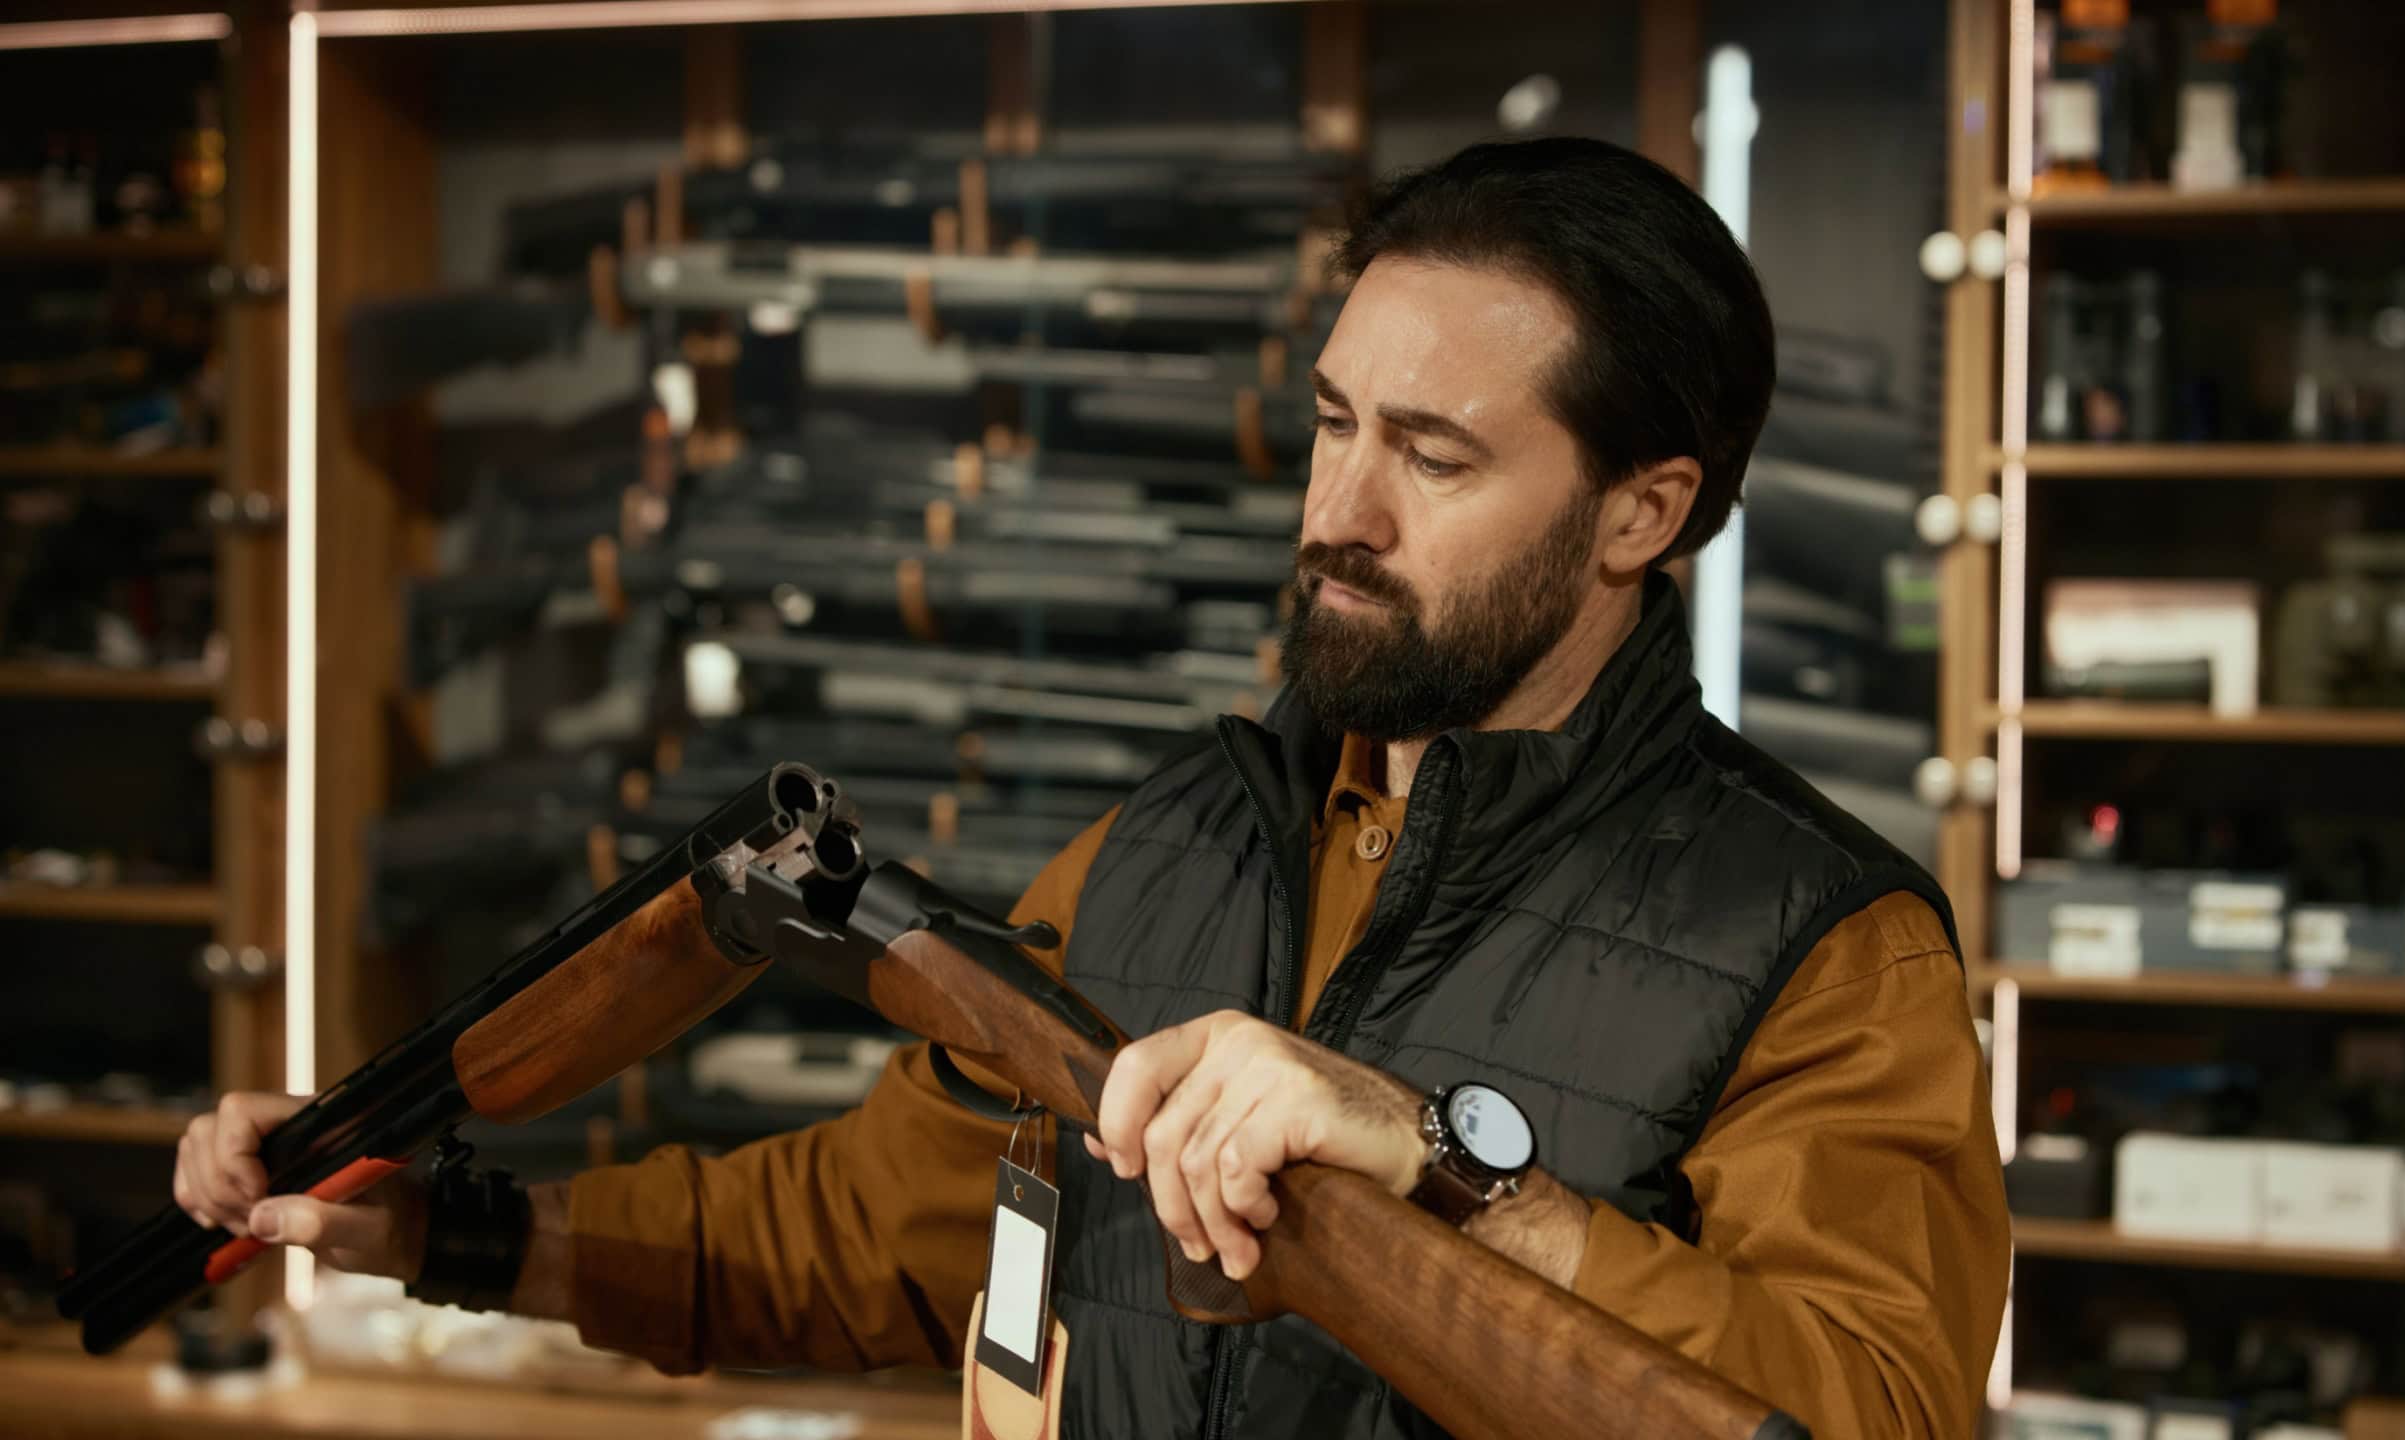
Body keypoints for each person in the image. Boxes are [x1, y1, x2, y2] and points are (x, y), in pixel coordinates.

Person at [173, 137, 2009, 1438]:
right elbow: (859, 1234)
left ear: (1644, 512)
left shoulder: (1825, 943)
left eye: (1435, 457)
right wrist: (439, 1225)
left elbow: (1869, 1409)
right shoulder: (1178, 843)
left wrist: (1439, 1176)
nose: (1336, 516)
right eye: (1332, 422)